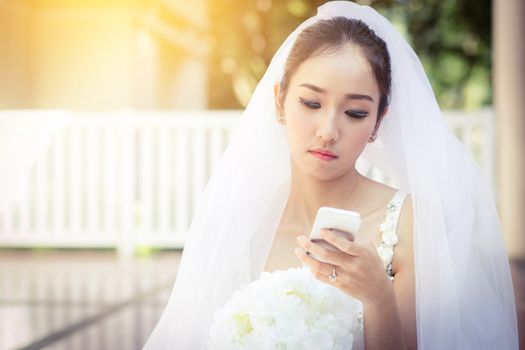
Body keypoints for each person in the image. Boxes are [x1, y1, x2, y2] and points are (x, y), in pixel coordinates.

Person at [143, 2, 518, 349]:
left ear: (376, 123)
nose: (327, 130)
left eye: (355, 113)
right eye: (311, 103)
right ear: (279, 102)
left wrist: (377, 297)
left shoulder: (409, 226)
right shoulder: (242, 220)